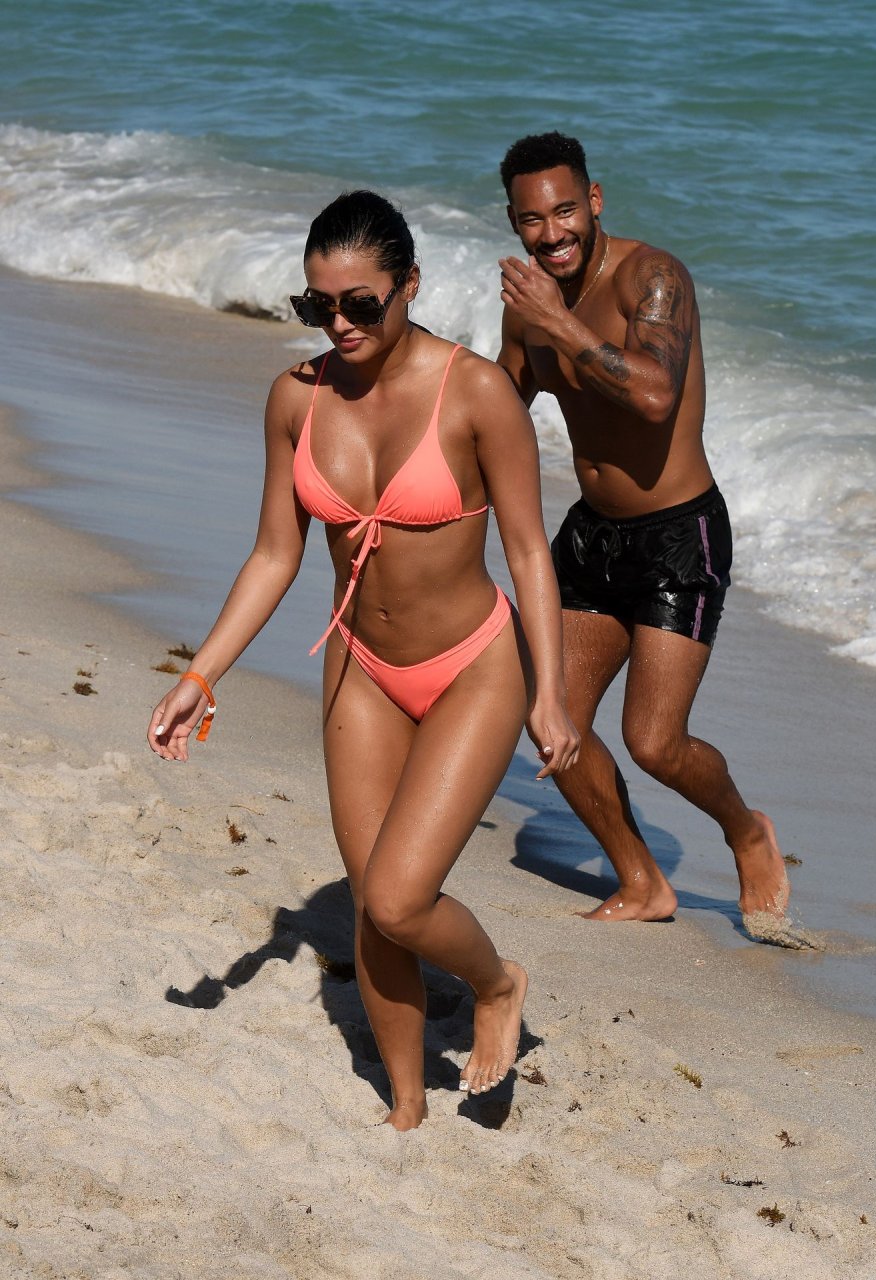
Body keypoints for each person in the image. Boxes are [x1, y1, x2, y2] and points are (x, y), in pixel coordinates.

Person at [147, 190, 579, 1130]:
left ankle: (497, 984)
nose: (338, 323)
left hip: (474, 665)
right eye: (318, 305)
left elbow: (529, 552)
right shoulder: (294, 398)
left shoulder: (476, 392)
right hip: (360, 666)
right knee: (372, 910)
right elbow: (275, 554)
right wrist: (199, 676)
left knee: (395, 894)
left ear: (409, 284)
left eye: (360, 303)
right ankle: (406, 1111)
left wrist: (551, 694)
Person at [496, 131, 792, 942]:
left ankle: (746, 831)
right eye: (531, 219)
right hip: (591, 537)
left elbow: (655, 396)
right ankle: (642, 879)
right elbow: (497, 414)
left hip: (677, 537)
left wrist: (556, 322)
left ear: (594, 201)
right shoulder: (527, 310)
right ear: (514, 223)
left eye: (565, 210)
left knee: (655, 742)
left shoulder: (653, 278)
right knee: (550, 718)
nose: (551, 233)